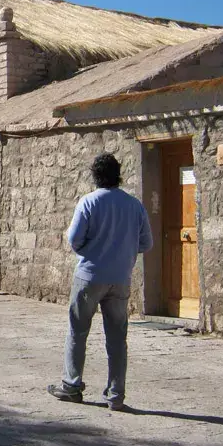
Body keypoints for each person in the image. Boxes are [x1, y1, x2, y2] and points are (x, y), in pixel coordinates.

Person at [47, 153, 153, 411]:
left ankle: (72, 385)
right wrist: (123, 251)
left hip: (89, 276)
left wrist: (92, 249)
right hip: (120, 278)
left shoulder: (88, 202)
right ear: (118, 173)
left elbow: (74, 239)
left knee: (78, 330)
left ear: (95, 176)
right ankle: (116, 395)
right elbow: (146, 243)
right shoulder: (134, 205)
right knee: (117, 337)